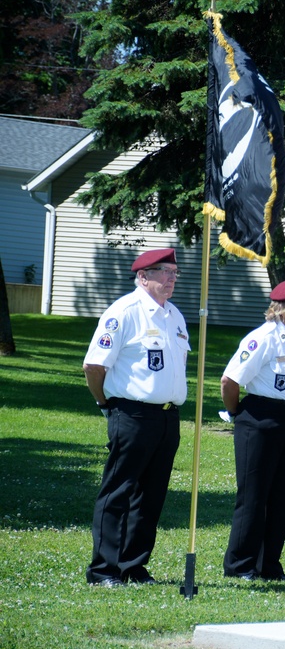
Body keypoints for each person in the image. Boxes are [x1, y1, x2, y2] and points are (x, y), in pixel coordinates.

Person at [83, 248, 190, 586]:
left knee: (151, 494)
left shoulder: (173, 315)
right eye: (164, 271)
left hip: (167, 417)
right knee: (118, 491)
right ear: (143, 277)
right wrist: (106, 403)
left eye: (174, 272)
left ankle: (134, 565)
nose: (172, 278)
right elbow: (94, 365)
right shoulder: (124, 312)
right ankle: (104, 569)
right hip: (131, 414)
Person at [220, 279, 285, 582]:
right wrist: (237, 414)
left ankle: (269, 564)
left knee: (281, 495)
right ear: (283, 309)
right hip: (259, 419)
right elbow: (229, 381)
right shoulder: (263, 338)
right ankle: (240, 565)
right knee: (254, 495)